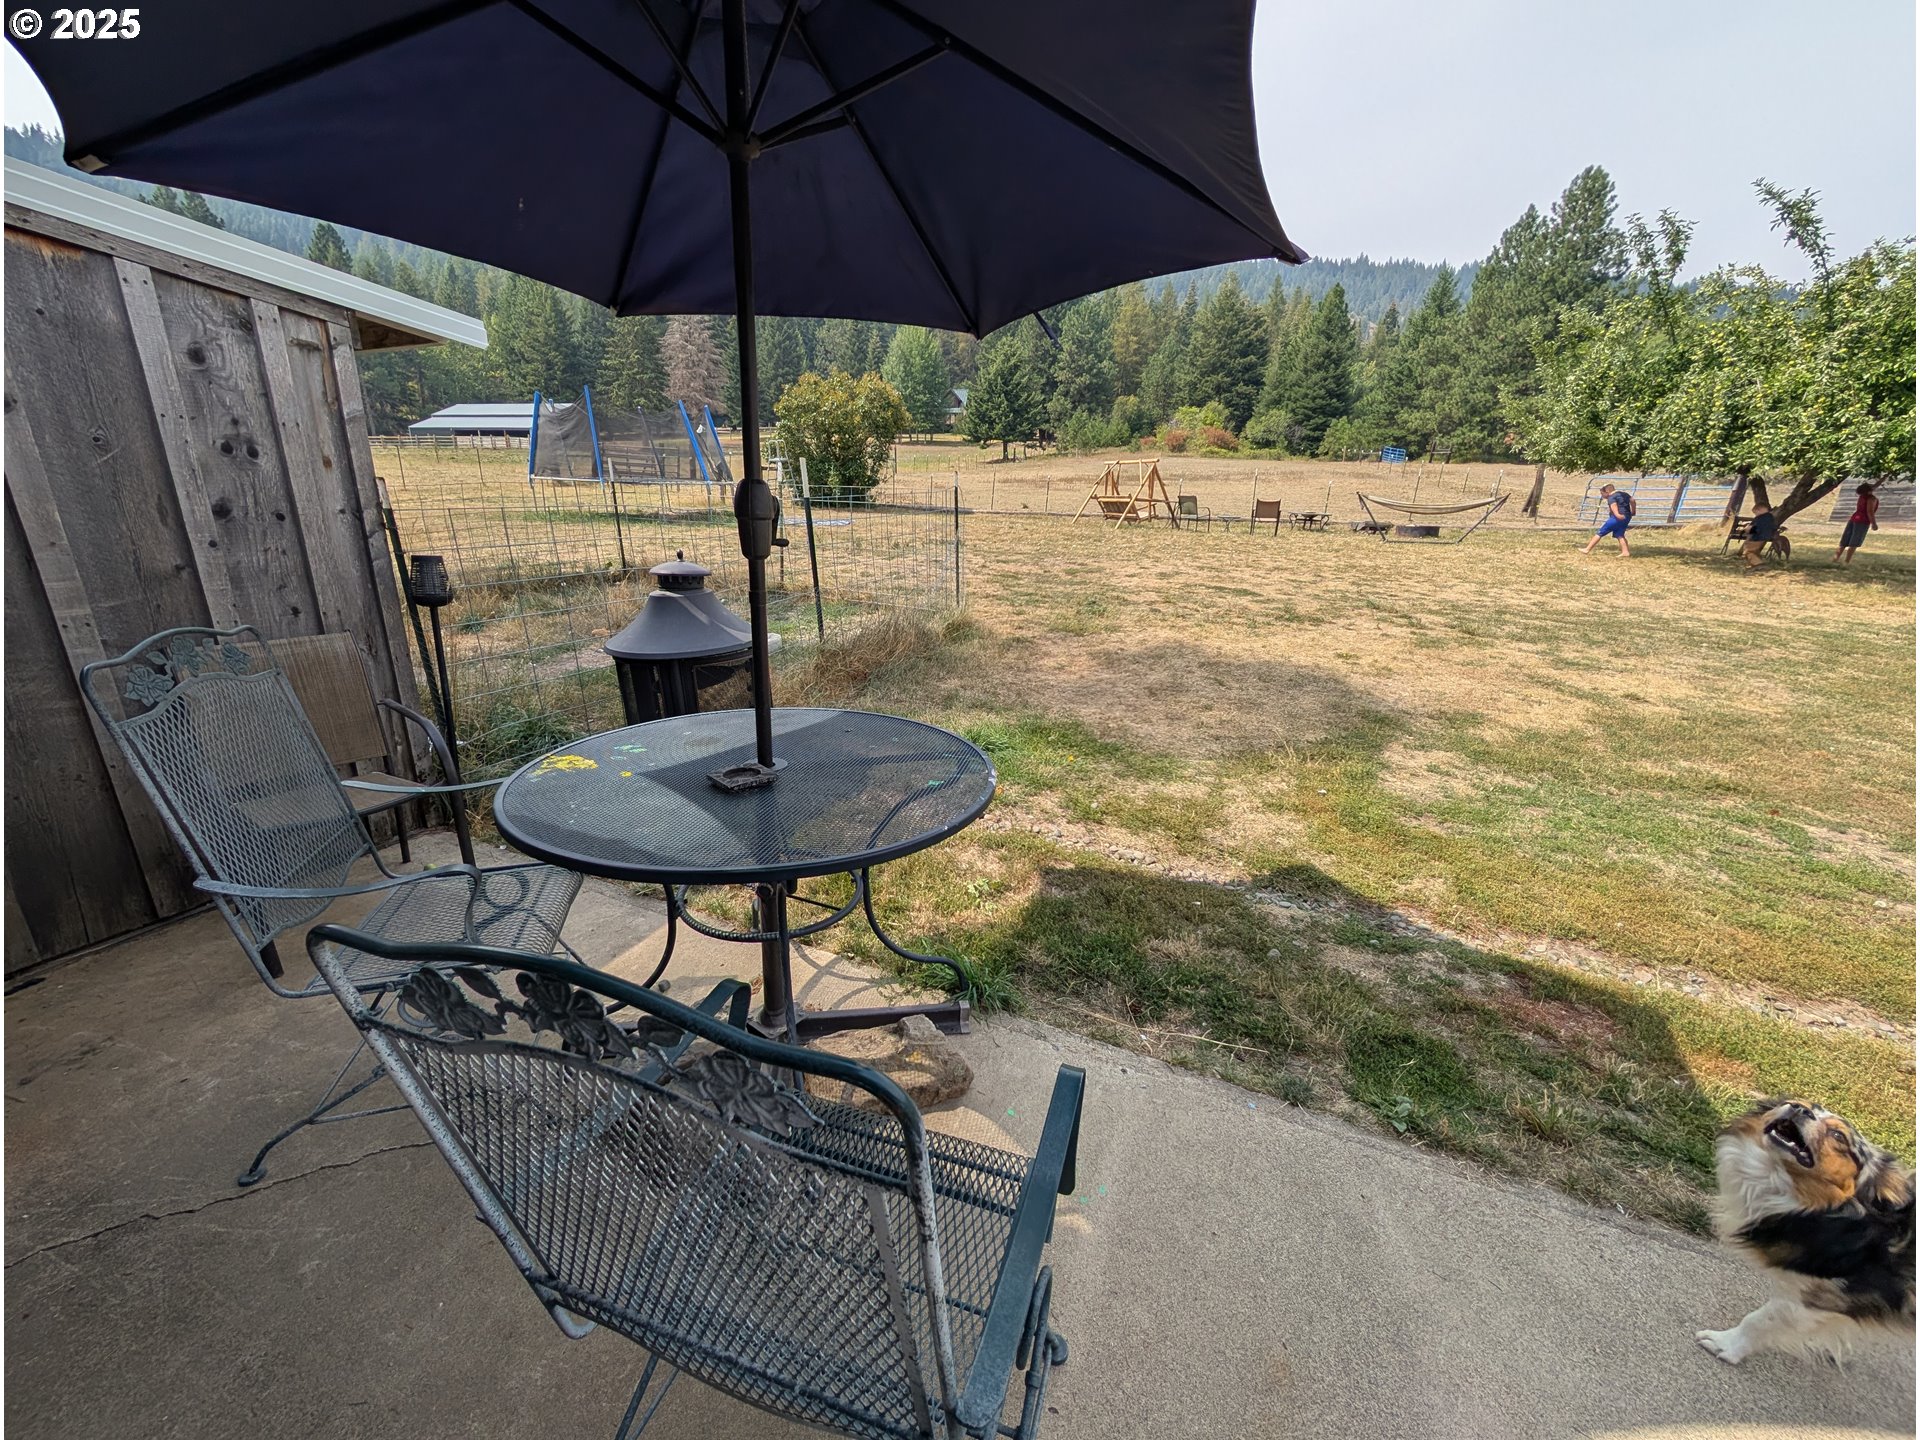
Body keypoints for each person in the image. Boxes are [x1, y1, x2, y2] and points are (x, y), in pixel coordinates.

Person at [1582, 483, 1635, 556]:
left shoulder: (1611, 497)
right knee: (1620, 534)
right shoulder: (1624, 494)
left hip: (1617, 518)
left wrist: (1617, 514)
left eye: (1602, 493)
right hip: (1627, 516)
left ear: (1607, 491)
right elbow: (1632, 500)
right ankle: (1625, 552)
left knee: (1600, 532)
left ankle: (1587, 549)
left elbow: (1614, 506)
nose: (1602, 496)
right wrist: (1633, 511)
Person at [1834, 484, 1879, 565]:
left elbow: (1875, 485)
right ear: (1869, 490)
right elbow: (1870, 512)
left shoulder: (1862, 497)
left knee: (1844, 540)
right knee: (1854, 542)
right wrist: (1874, 524)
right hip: (1862, 521)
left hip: (1854, 518)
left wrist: (1885, 477)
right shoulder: (1871, 499)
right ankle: (1847, 561)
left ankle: (1835, 559)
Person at [1741, 502, 1781, 570]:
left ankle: (1759, 564)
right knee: (1755, 552)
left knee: (1749, 552)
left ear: (1759, 510)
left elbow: (1757, 529)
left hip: (1757, 537)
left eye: (1755, 513)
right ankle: (1754, 564)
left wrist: (1747, 529)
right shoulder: (1770, 517)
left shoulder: (1760, 519)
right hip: (1765, 537)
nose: (1755, 515)